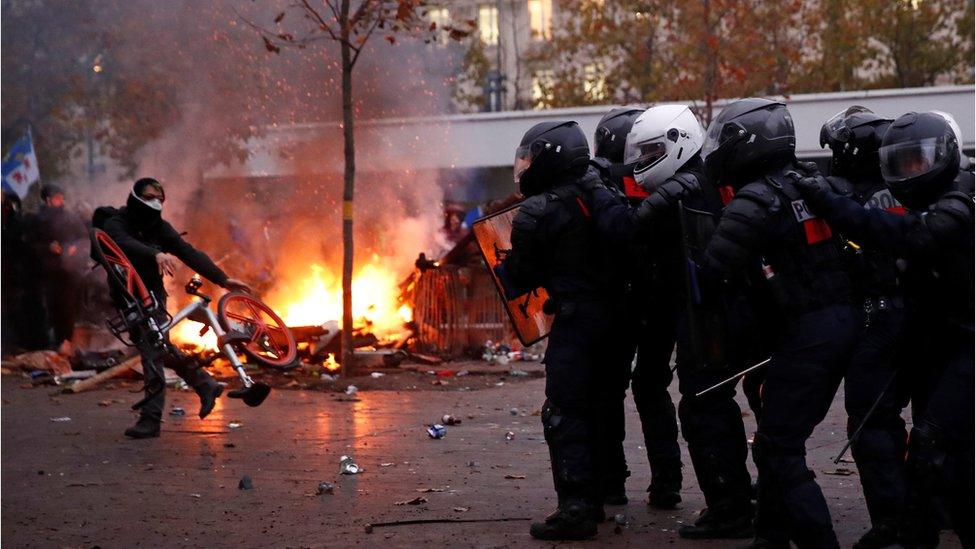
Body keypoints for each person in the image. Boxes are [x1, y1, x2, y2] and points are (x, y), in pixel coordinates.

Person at [795, 111, 974, 548]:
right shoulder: (930, 203)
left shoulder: (956, 206)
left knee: (936, 442)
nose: (910, 172)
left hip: (968, 342)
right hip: (940, 337)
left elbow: (904, 236)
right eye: (902, 162)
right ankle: (916, 530)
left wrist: (829, 203)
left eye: (919, 161)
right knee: (931, 444)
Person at [582, 104, 760, 539]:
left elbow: (625, 228)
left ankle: (731, 507)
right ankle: (731, 501)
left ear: (679, 142)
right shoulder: (700, 180)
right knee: (701, 404)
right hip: (696, 311)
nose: (642, 163)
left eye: (650, 152)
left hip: (704, 316)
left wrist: (590, 183)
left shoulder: (682, 186)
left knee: (704, 408)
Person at [700, 98, 859, 549]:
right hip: (836, 323)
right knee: (774, 441)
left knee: (780, 446)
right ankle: (770, 537)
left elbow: (715, 268)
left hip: (808, 332)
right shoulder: (811, 182)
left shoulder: (757, 197)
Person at [495, 121, 628, 540]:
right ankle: (605, 492)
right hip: (618, 320)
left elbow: (521, 276)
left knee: (565, 412)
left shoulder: (539, 209)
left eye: (531, 157)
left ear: (550, 157)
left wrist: (503, 266)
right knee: (604, 404)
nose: (525, 166)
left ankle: (576, 510)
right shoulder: (602, 192)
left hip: (576, 323)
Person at [818, 106, 907, 549]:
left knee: (872, 422)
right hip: (905, 319)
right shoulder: (891, 192)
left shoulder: (874, 202)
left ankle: (893, 524)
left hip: (882, 319)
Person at [101, 178, 252, 439]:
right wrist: (154, 254)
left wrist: (222, 279)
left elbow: (187, 252)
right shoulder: (117, 222)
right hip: (126, 295)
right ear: (135, 197)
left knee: (152, 349)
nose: (155, 202)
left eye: (159, 198)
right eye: (149, 197)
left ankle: (151, 419)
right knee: (158, 348)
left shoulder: (160, 228)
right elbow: (121, 243)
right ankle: (205, 383)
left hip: (153, 296)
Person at [590, 106, 684, 509]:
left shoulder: (603, 187)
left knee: (609, 391)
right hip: (660, 303)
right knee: (652, 389)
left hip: (622, 302)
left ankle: (612, 481)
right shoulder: (666, 180)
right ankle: (667, 481)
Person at [32, 184, 88, 348]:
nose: (60, 200)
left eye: (61, 197)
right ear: (48, 200)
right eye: (57, 197)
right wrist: (47, 247)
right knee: (51, 309)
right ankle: (53, 344)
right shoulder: (37, 220)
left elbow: (84, 238)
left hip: (69, 273)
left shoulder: (71, 218)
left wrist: (74, 248)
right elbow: (29, 245)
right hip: (47, 273)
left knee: (68, 310)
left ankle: (67, 343)